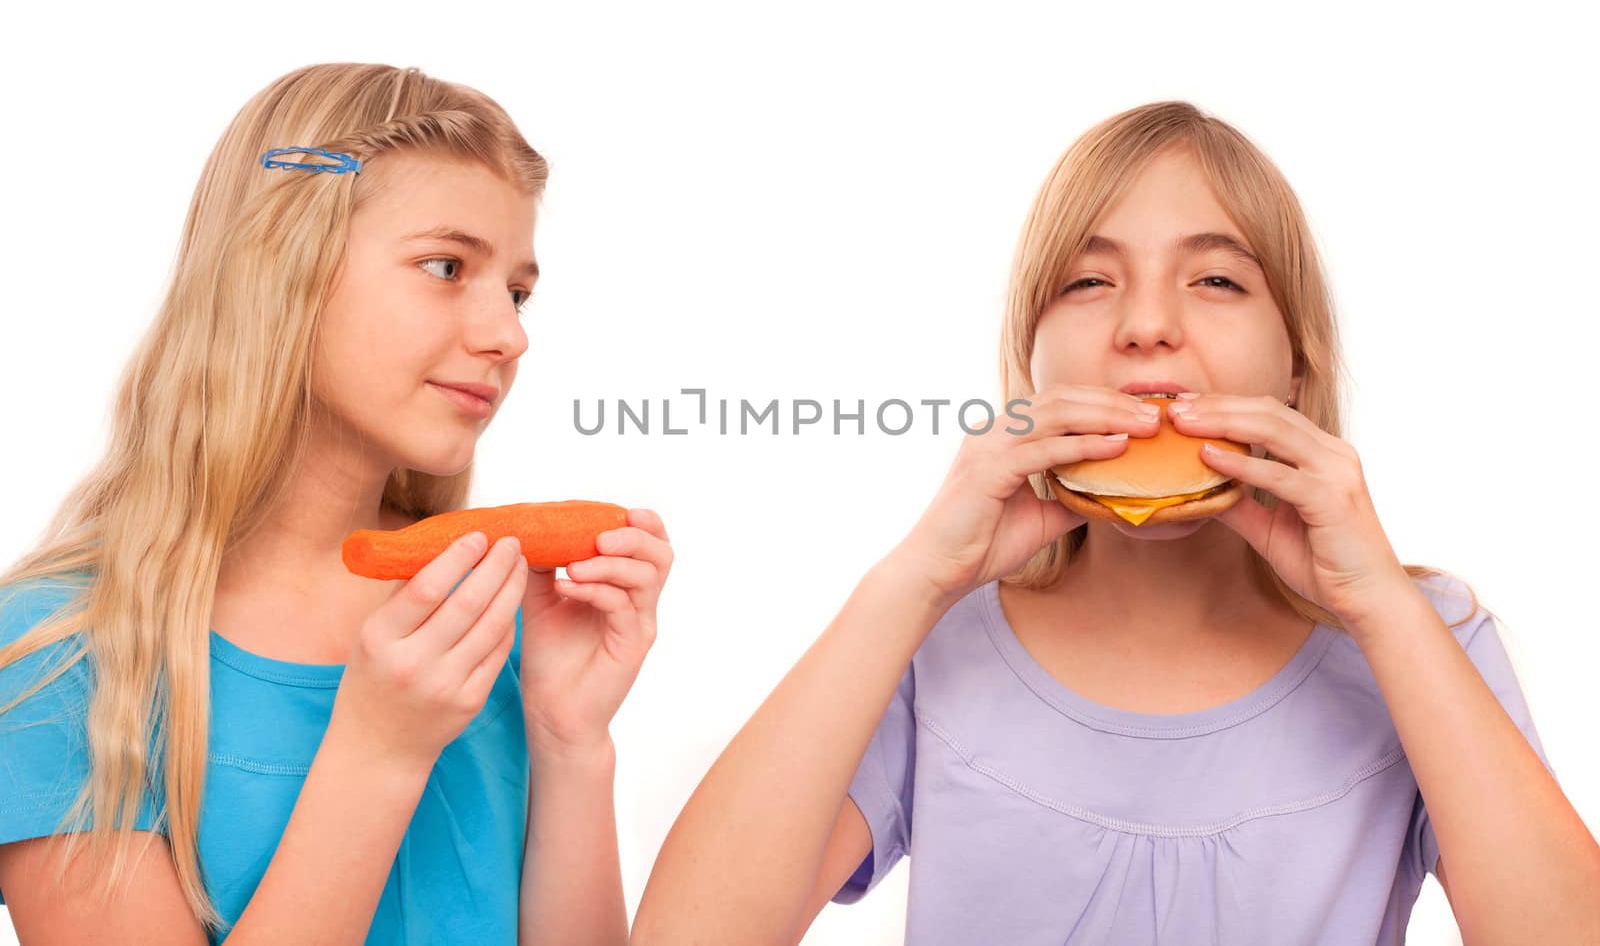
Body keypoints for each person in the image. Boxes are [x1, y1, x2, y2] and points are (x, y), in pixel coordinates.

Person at [633, 101, 1600, 944]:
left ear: (1295, 370)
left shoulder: (1423, 637)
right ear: (1033, 365)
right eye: (1088, 282)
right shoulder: (937, 646)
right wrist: (915, 578)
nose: (1147, 324)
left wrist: (1383, 606)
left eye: (1217, 279)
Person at [0, 63, 671, 945]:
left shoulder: (479, 620)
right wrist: (377, 753)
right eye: (445, 266)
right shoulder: (61, 657)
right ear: (283, 267)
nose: (509, 335)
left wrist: (570, 740)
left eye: (515, 291)